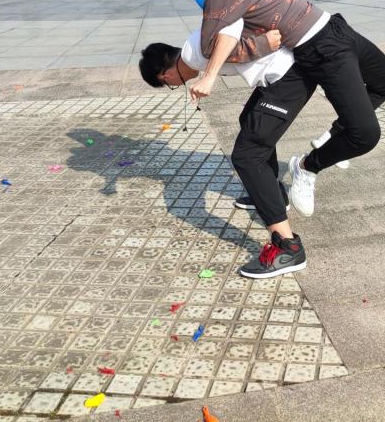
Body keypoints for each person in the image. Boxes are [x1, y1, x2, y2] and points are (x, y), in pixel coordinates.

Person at [185, 0, 385, 274]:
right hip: (320, 52)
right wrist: (218, 70)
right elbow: (213, 43)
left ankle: (330, 138)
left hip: (335, 27)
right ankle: (306, 167)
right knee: (366, 135)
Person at [139, 17, 348, 279]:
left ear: (165, 75)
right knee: (248, 121)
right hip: (278, 76)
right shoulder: (193, 51)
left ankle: (288, 247)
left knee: (247, 156)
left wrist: (211, 76)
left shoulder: (193, 53)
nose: (175, 85)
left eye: (170, 85)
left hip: (290, 77)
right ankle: (273, 194)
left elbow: (230, 25)